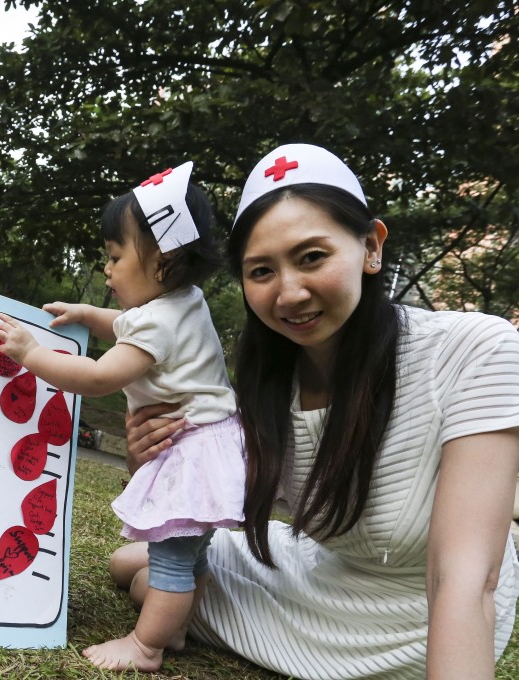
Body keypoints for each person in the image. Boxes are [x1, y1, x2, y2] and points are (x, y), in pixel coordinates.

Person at [115, 143, 519, 678]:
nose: (289, 293)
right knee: (132, 564)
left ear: (371, 248)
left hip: (421, 614)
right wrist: (149, 458)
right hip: (321, 575)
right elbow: (208, 498)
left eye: (312, 257)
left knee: (160, 588)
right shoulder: (268, 389)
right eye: (261, 271)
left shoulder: (476, 349)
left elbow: (465, 579)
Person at [0, 162, 246, 672]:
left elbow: (99, 377)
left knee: (173, 558)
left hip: (191, 454)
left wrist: (30, 353)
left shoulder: (161, 320)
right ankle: (172, 631)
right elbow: (129, 324)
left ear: (163, 261)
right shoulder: (182, 302)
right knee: (189, 556)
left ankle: (146, 646)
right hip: (211, 446)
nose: (107, 269)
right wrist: (89, 315)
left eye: (114, 257)